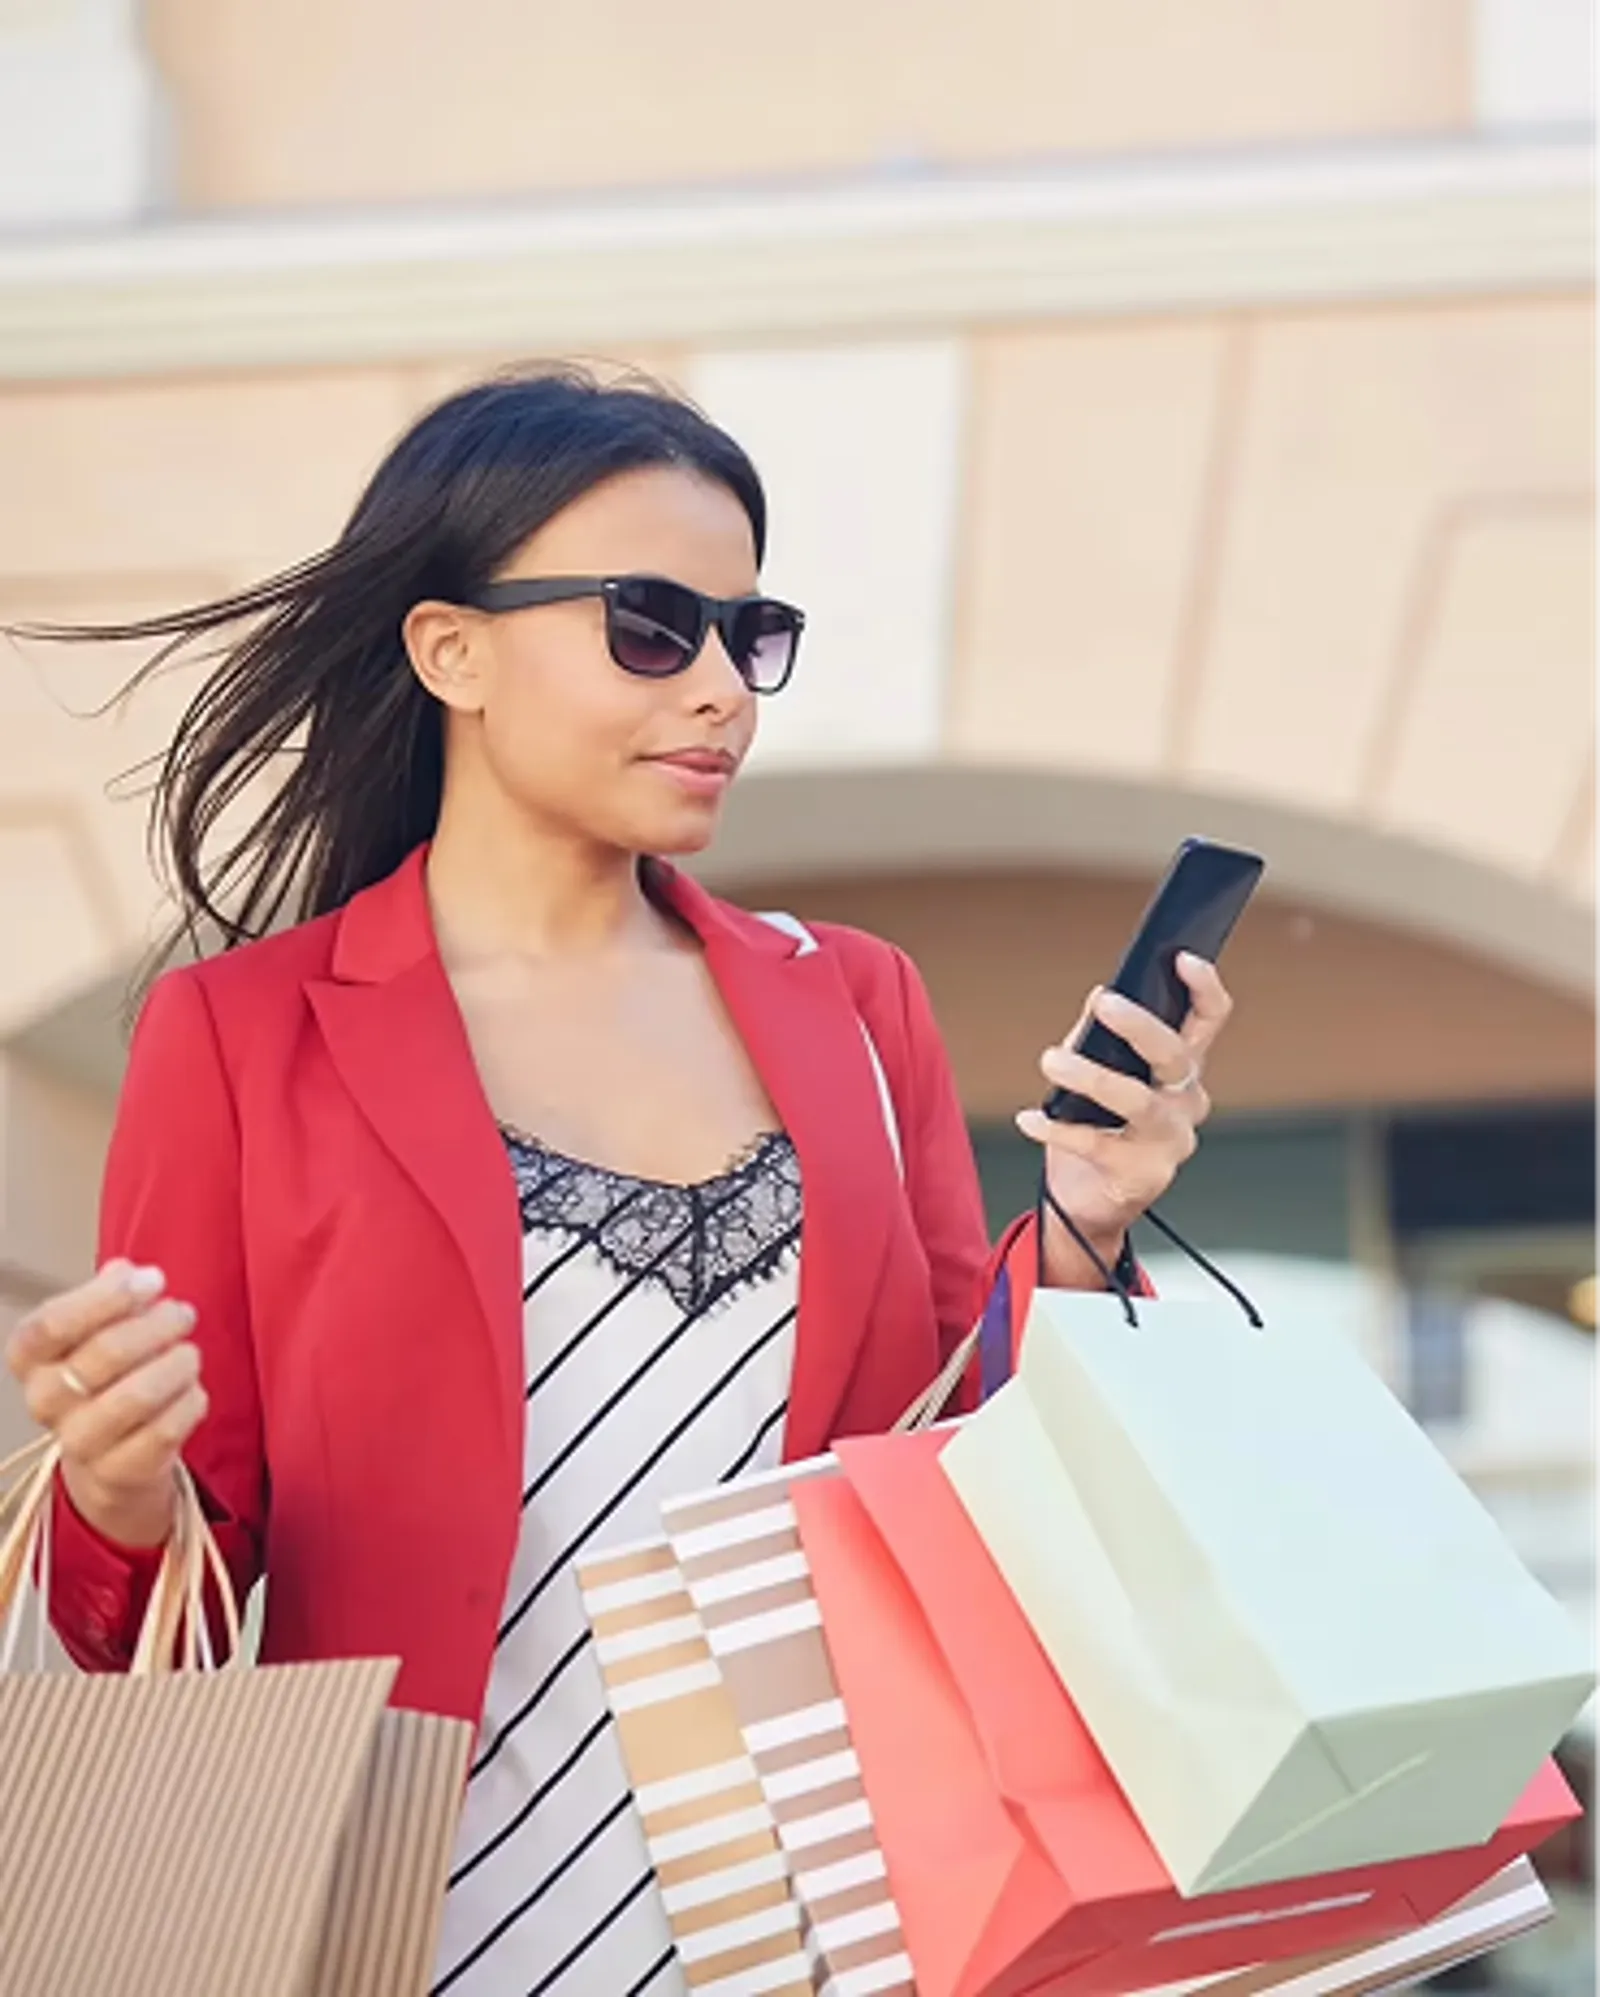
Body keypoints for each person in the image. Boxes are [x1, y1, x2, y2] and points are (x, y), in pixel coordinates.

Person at [3, 366, 1233, 1995]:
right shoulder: (239, 1039)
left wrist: (1085, 1223)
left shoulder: (857, 1004)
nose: (721, 687)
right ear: (450, 652)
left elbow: (968, 1468)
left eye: (749, 634)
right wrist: (112, 1485)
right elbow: (154, 1616)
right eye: (652, 625)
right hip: (423, 1920)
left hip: (853, 1914)